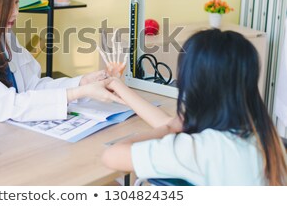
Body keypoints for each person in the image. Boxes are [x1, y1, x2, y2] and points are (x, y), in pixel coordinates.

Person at [102, 29, 287, 185]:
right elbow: (166, 121)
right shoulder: (262, 134)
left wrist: (168, 128)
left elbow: (112, 156)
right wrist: (117, 85)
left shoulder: (200, 150)